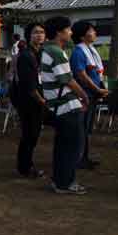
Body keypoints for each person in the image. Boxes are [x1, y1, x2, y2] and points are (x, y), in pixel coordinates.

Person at [41, 16, 90, 195]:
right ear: (59, 32)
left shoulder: (48, 50)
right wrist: (84, 95)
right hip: (66, 105)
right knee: (72, 146)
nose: (71, 33)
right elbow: (67, 79)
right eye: (68, 30)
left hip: (58, 105)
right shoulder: (55, 51)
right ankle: (66, 182)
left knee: (63, 145)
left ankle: (60, 179)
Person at [69, 21, 108, 169]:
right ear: (83, 34)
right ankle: (79, 158)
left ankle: (84, 157)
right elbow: (81, 74)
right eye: (91, 30)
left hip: (93, 94)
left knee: (87, 127)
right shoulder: (79, 52)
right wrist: (96, 89)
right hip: (85, 94)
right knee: (82, 127)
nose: (95, 33)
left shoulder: (90, 50)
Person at [11, 22, 47, 179]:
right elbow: (29, 84)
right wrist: (42, 101)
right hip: (28, 100)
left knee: (34, 134)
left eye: (42, 32)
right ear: (29, 35)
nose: (39, 35)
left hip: (37, 99)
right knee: (29, 134)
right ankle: (24, 167)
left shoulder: (41, 53)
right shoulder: (26, 55)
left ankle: (27, 164)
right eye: (35, 32)